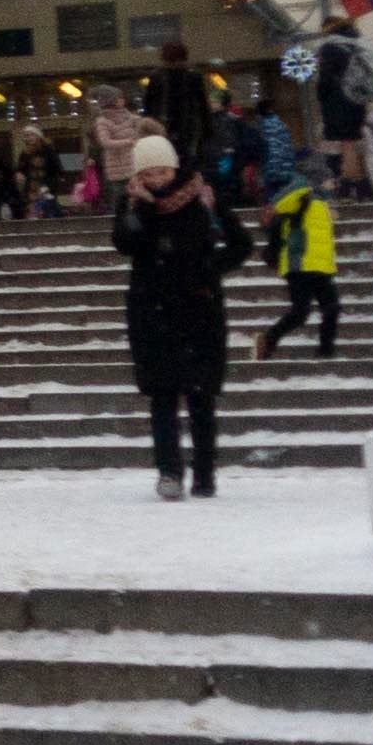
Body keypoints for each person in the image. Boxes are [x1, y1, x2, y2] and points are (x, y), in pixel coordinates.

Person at [115, 133, 254, 499]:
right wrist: (141, 208)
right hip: (152, 310)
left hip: (198, 308)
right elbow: (124, 243)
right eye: (148, 173)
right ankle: (169, 471)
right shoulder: (132, 201)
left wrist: (210, 268)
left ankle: (205, 474)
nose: (156, 179)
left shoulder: (203, 196)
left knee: (201, 398)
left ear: (174, 167)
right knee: (162, 398)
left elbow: (242, 244)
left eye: (161, 170)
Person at [256, 167, 342, 361]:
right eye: (330, 180)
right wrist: (303, 184)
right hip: (299, 264)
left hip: (321, 266)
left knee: (332, 308)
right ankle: (269, 339)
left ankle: (325, 353)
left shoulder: (324, 205)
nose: (334, 184)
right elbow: (279, 203)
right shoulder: (302, 196)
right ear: (319, 181)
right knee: (300, 312)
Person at [315, 18, 373, 199]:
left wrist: (321, 96)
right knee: (351, 144)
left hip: (338, 103)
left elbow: (325, 80)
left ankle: (358, 186)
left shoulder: (330, 49)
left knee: (347, 145)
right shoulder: (354, 46)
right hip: (356, 102)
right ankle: (355, 186)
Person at [142, 43, 212, 176]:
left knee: (167, 168)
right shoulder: (193, 76)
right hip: (186, 131)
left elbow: (149, 107)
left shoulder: (157, 77)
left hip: (165, 129)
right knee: (186, 168)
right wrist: (206, 133)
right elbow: (203, 107)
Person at [87, 85, 145, 196]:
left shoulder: (132, 118)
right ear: (112, 101)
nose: (123, 100)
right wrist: (128, 141)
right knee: (121, 201)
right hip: (116, 169)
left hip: (135, 165)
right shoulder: (102, 121)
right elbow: (105, 142)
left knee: (138, 199)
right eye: (119, 98)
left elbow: (143, 131)